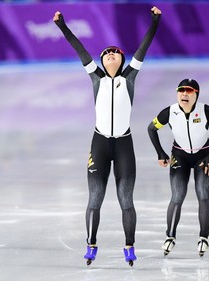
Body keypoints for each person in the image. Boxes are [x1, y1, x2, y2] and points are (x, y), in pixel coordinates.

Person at [53, 6, 161, 266]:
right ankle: (91, 244)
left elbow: (143, 48)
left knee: (126, 199)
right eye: (106, 53)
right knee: (95, 198)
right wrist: (62, 26)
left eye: (115, 52)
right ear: (101, 61)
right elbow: (79, 49)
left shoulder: (130, 77)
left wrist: (155, 21)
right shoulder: (96, 78)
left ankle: (129, 246)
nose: (111, 54)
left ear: (122, 60)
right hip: (100, 143)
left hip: (124, 144)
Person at [147, 79, 209, 257]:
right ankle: (170, 237)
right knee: (177, 196)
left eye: (189, 91)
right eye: (181, 90)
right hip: (180, 156)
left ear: (196, 94)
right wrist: (160, 153)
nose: (184, 94)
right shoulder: (170, 112)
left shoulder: (206, 111)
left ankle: (204, 238)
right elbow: (151, 128)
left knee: (203, 194)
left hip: (203, 157)